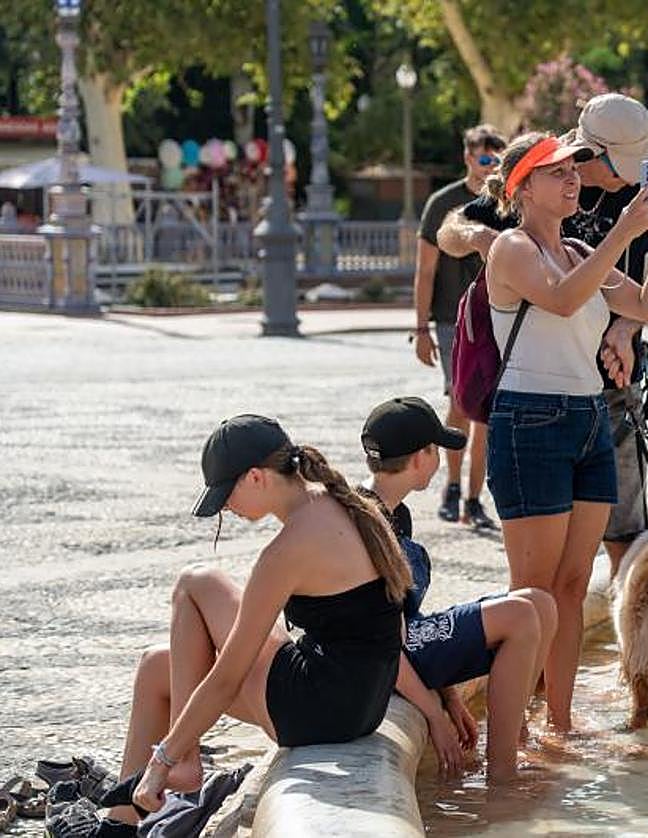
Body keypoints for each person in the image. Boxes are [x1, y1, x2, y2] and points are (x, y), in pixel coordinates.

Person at [436, 93, 648, 579]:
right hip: (538, 396)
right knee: (543, 572)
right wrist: (481, 240)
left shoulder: (631, 196)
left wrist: (627, 325)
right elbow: (451, 229)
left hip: (609, 386)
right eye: (622, 165)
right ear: (592, 152)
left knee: (624, 532)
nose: (631, 177)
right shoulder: (543, 175)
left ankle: (622, 651)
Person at [114, 415, 410, 826]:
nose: (226, 509)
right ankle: (118, 825)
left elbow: (226, 678)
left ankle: (183, 762)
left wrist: (161, 760)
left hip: (316, 709)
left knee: (195, 582)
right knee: (155, 668)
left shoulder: (286, 551)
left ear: (255, 477)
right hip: (362, 706)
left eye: (225, 496)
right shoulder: (346, 504)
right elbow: (393, 629)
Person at [483, 131, 648, 731]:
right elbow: (564, 302)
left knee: (571, 588)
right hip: (530, 420)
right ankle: (513, 737)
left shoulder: (573, 248)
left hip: (591, 416)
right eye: (557, 173)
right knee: (532, 594)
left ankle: (559, 726)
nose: (572, 181)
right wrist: (623, 231)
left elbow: (646, 307)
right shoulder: (511, 249)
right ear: (523, 188)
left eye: (574, 171)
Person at [358, 397, 555, 780]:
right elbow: (375, 635)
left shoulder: (394, 512)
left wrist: (449, 695)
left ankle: (516, 738)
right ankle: (502, 776)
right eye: (438, 450)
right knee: (519, 616)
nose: (442, 460)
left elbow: (408, 616)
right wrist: (434, 714)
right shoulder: (363, 524)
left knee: (540, 603)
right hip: (380, 659)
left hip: (406, 642)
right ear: (420, 457)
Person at [412, 124, 508, 529]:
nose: (490, 167)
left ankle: (474, 496)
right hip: (453, 318)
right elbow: (425, 270)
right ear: (468, 158)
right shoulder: (444, 203)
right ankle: (452, 485)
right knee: (460, 404)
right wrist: (421, 329)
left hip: (496, 316)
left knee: (486, 410)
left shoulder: (508, 204)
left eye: (497, 160)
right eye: (485, 159)